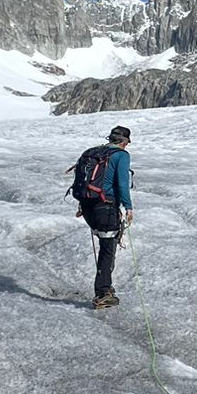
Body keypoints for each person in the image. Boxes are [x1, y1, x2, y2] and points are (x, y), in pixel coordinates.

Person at [69, 126, 134, 309]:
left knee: (106, 245)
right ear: (124, 142)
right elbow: (122, 183)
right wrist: (128, 207)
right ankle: (103, 292)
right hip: (105, 207)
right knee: (107, 249)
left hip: (89, 207)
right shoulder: (121, 156)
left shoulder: (93, 153)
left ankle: (105, 288)